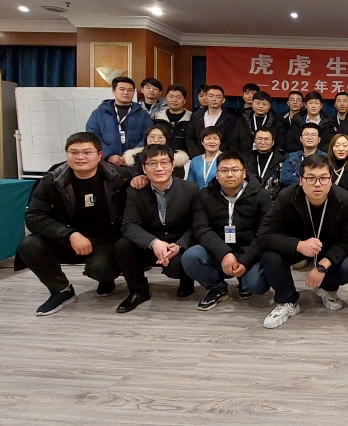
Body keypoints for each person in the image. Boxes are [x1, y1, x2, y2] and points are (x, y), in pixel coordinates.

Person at [18, 133, 133, 315]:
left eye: (87, 152)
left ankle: (106, 279)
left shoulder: (120, 177)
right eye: (74, 152)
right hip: (66, 238)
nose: (80, 157)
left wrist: (142, 180)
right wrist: (69, 234)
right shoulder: (52, 180)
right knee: (30, 245)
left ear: (99, 155)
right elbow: (34, 216)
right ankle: (61, 290)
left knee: (102, 268)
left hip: (105, 240)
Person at [256, 154, 348, 328]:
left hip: (329, 248)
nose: (317, 184)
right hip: (298, 246)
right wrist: (298, 245)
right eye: (311, 178)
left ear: (331, 180)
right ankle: (287, 301)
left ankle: (326, 288)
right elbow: (264, 235)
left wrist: (322, 266)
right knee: (271, 256)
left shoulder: (345, 200)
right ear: (300, 180)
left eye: (323, 178)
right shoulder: (286, 197)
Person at [182, 151, 273, 310]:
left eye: (235, 170)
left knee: (256, 284)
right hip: (217, 251)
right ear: (217, 174)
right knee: (191, 257)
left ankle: (244, 282)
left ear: (244, 173)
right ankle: (218, 288)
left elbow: (265, 232)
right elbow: (201, 228)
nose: (229, 174)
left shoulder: (261, 195)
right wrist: (224, 254)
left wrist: (245, 260)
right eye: (224, 170)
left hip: (249, 251)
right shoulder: (204, 195)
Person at [115, 144, 199, 313]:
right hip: (150, 244)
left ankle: (186, 282)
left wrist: (179, 245)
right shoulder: (135, 191)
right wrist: (153, 242)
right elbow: (129, 225)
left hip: (177, 244)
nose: (159, 168)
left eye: (164, 162)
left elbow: (196, 224)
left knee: (181, 264)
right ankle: (138, 291)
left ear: (172, 165)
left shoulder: (190, 189)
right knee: (122, 246)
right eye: (152, 163)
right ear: (144, 168)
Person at [85, 76, 153, 166]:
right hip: (105, 163)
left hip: (135, 163)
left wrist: (131, 156)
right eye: (122, 89)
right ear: (113, 91)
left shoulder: (143, 115)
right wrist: (109, 156)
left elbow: (149, 137)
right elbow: (92, 136)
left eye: (130, 90)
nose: (126, 93)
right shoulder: (99, 113)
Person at [229, 91, 287, 156]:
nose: (260, 106)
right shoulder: (242, 120)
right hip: (244, 157)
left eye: (264, 104)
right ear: (252, 103)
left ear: (269, 106)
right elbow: (234, 142)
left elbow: (280, 144)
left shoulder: (276, 122)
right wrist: (240, 158)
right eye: (257, 103)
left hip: (269, 158)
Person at [123, 124, 189, 180]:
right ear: (146, 139)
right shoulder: (136, 157)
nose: (156, 140)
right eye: (152, 137)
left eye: (160, 137)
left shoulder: (176, 159)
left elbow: (178, 180)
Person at [186, 85, 237, 155]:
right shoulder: (196, 115)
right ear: (206, 98)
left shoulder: (230, 119)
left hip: (220, 156)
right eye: (211, 96)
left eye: (218, 97)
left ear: (223, 100)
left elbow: (229, 140)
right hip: (198, 156)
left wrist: (216, 155)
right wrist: (197, 155)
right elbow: (189, 137)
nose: (214, 99)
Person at [245, 128, 284, 201]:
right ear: (255, 141)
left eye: (266, 139)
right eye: (259, 139)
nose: (263, 142)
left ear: (272, 142)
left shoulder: (282, 159)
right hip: (249, 199)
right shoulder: (246, 159)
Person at [152, 85, 192, 154]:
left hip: (184, 156)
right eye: (171, 97)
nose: (174, 100)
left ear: (184, 100)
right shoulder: (157, 117)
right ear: (166, 99)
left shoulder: (192, 118)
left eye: (178, 97)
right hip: (161, 155)